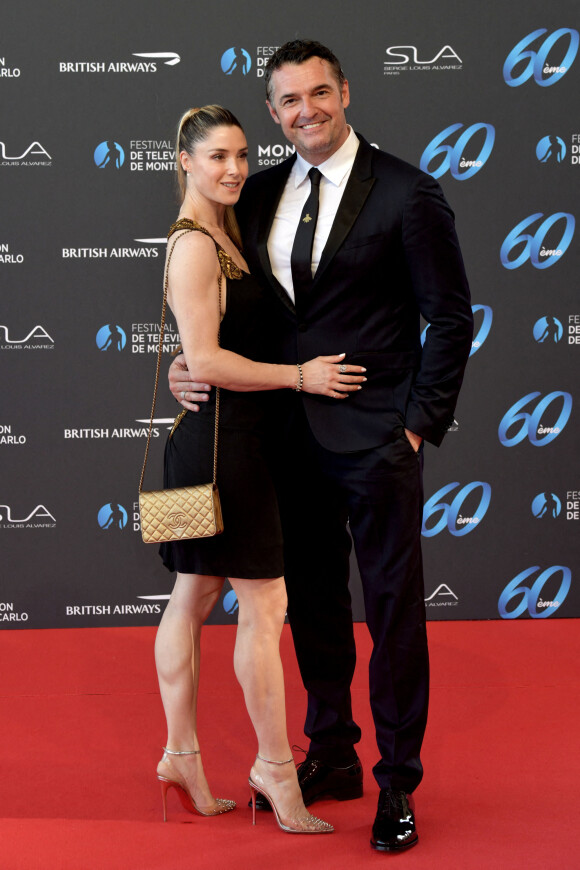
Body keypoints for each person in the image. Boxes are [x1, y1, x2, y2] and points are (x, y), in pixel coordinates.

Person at [169, 42, 473, 852]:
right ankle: (331, 750)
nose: (306, 110)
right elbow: (225, 308)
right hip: (284, 440)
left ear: (344, 93)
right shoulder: (256, 193)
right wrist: (183, 362)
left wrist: (414, 423)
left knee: (394, 612)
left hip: (376, 441)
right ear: (273, 112)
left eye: (318, 94)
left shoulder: (409, 192)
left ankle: (397, 782)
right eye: (288, 101)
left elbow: (451, 318)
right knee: (311, 604)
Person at [153, 104, 368, 834]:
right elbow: (207, 359)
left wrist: (201, 364)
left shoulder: (228, 229)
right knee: (263, 604)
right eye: (216, 156)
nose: (235, 169)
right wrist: (299, 377)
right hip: (221, 449)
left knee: (195, 591)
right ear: (183, 160)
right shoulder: (192, 246)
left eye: (242, 154)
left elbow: (204, 353)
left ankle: (182, 753)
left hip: (221, 440)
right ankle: (275, 768)